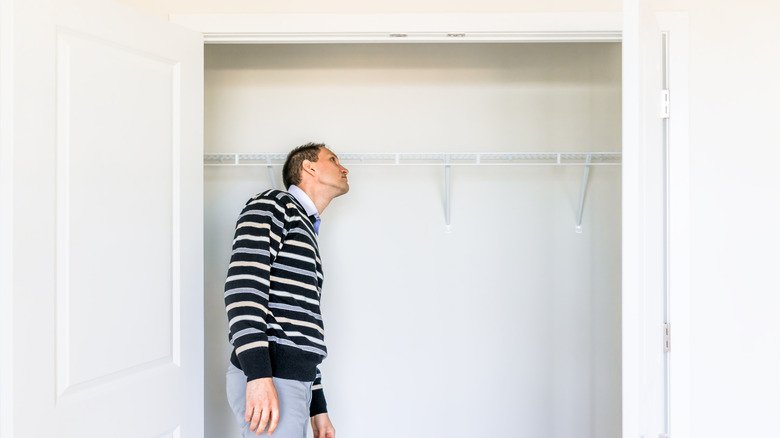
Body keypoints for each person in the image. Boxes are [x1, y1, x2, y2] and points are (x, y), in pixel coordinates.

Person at [224, 142, 348, 438]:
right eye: (333, 160)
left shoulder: (305, 227)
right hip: (271, 377)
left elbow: (300, 326)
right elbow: (243, 286)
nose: (344, 168)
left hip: (288, 380)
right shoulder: (273, 203)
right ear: (309, 167)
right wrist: (258, 374)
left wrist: (317, 407)